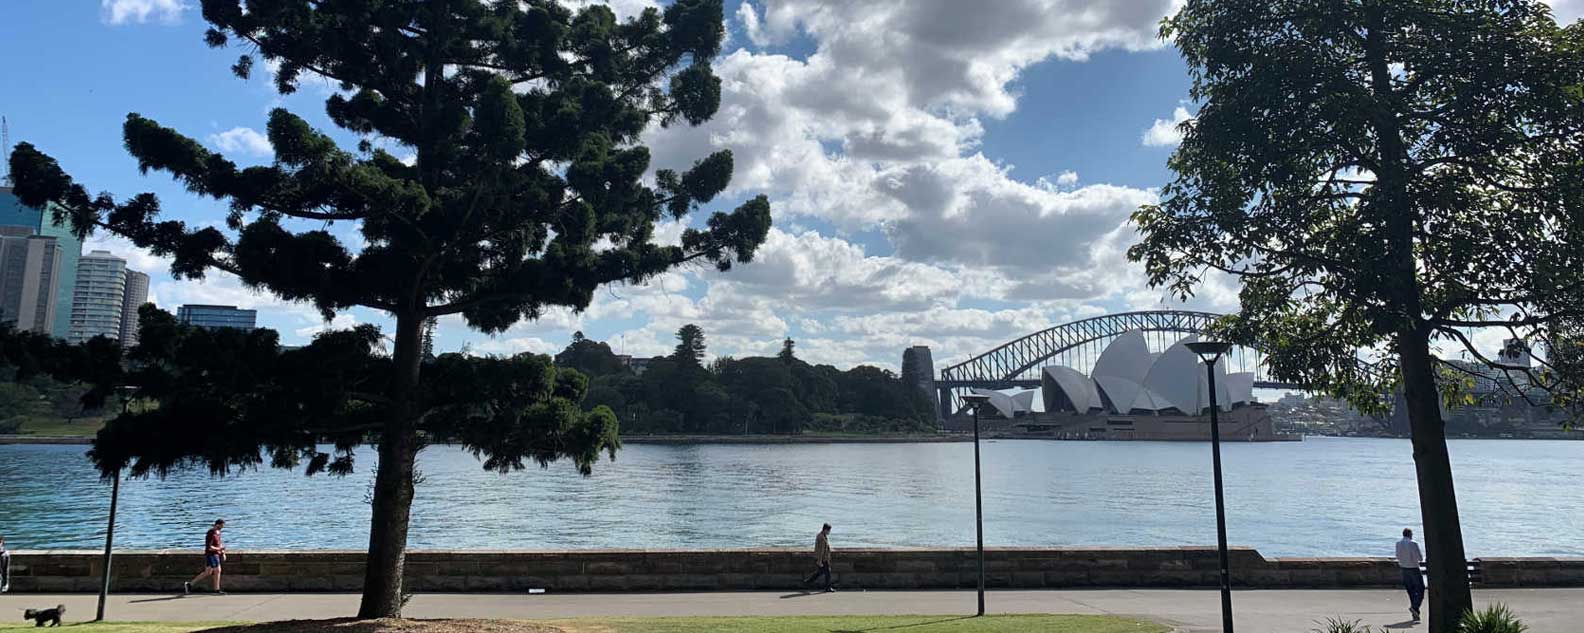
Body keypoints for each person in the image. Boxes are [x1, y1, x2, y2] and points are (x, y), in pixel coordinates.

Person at [185, 519, 227, 596]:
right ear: (217, 524)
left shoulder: (218, 532)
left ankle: (190, 584)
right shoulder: (211, 533)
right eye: (221, 526)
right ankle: (216, 589)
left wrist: (223, 552)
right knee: (217, 570)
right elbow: (209, 547)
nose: (222, 527)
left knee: (208, 572)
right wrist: (219, 549)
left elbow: (219, 543)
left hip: (216, 554)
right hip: (211, 554)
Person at [1396, 527, 1425, 621]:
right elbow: (1419, 558)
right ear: (1410, 534)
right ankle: (1415, 607)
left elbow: (1398, 556)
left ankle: (1415, 612)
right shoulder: (1413, 543)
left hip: (1404, 569)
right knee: (1420, 589)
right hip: (1414, 568)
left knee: (1411, 591)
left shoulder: (1398, 543)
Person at [802, 523, 834, 593]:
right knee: (827, 573)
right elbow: (821, 550)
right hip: (823, 559)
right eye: (829, 531)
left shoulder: (821, 536)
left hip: (822, 558)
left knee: (820, 572)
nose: (829, 532)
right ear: (825, 530)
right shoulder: (821, 538)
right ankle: (828, 588)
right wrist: (820, 561)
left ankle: (807, 582)